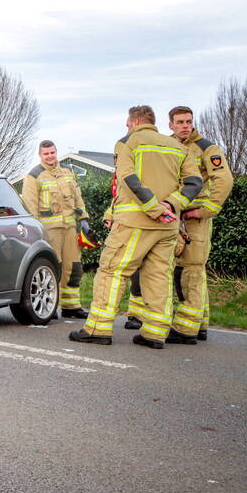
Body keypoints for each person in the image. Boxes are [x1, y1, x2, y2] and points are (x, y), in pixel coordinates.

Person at [70, 105, 203, 349]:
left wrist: (154, 208)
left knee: (112, 271)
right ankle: (154, 333)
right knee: (159, 277)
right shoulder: (178, 147)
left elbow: (127, 179)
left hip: (135, 222)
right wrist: (172, 206)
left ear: (133, 123)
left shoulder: (129, 142)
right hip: (167, 227)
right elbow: (195, 182)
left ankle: (98, 328)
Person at [125, 106, 234, 343]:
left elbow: (224, 180)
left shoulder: (207, 148)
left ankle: (187, 329)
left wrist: (205, 210)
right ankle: (198, 324)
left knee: (191, 270)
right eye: (180, 122)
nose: (186, 126)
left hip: (194, 218)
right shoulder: (168, 145)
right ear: (170, 125)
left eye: (189, 121)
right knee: (181, 270)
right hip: (175, 215)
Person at [21, 140, 92, 319]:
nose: (50, 156)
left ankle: (71, 306)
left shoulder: (67, 172)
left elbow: (78, 198)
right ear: (40, 155)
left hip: (69, 229)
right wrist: (36, 233)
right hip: (49, 231)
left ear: (56, 152)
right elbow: (30, 207)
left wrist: (84, 218)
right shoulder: (33, 175)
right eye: (46, 154)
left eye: (52, 152)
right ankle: (50, 305)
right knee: (53, 269)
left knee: (73, 267)